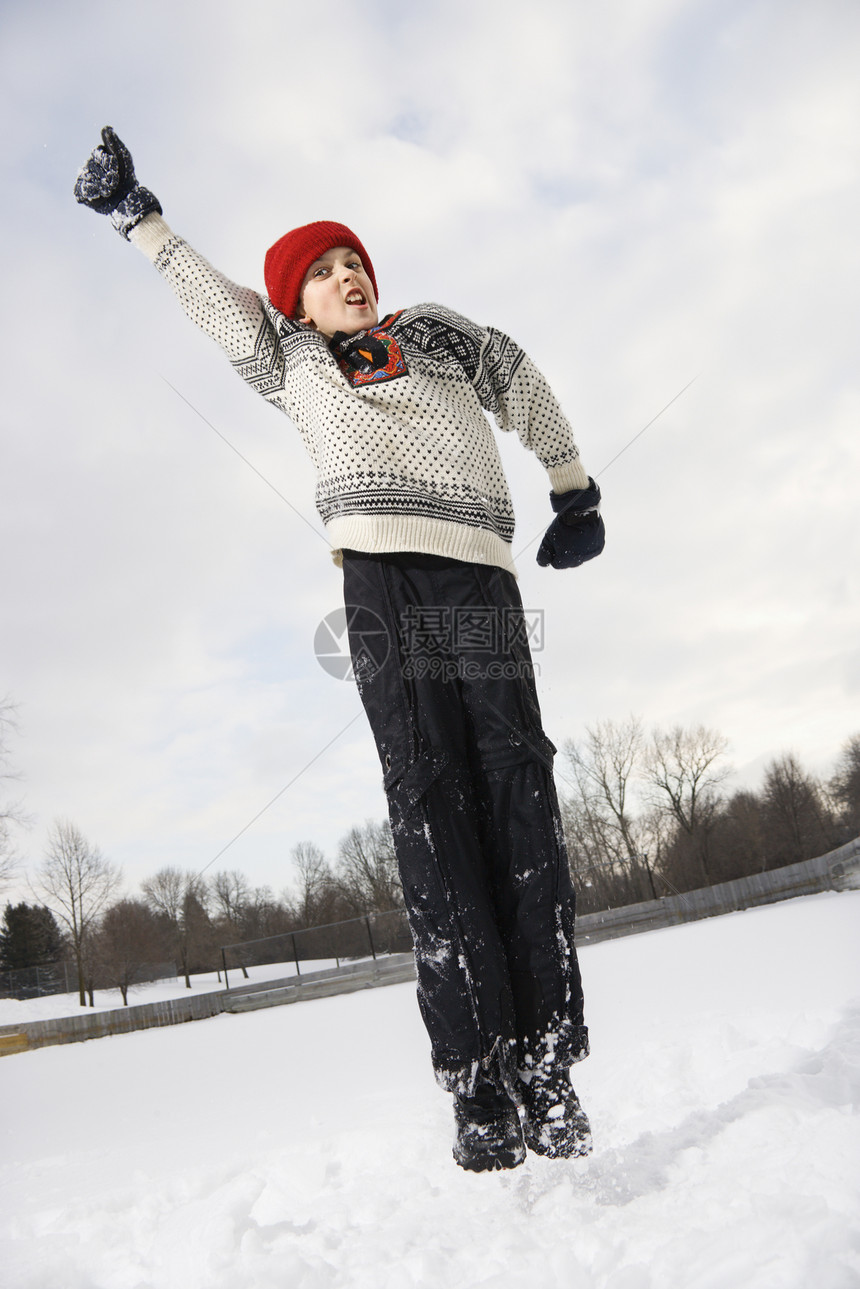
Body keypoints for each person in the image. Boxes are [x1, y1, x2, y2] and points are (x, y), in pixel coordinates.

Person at [74, 127, 604, 1172]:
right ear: (298, 306)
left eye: (351, 261)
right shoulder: (292, 359)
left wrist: (572, 482)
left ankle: (547, 1067)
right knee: (428, 801)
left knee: (515, 793)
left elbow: (521, 374)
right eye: (319, 273)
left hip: (476, 576)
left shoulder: (438, 333)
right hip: (380, 582)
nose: (344, 277)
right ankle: (476, 1086)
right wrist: (143, 220)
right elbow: (221, 305)